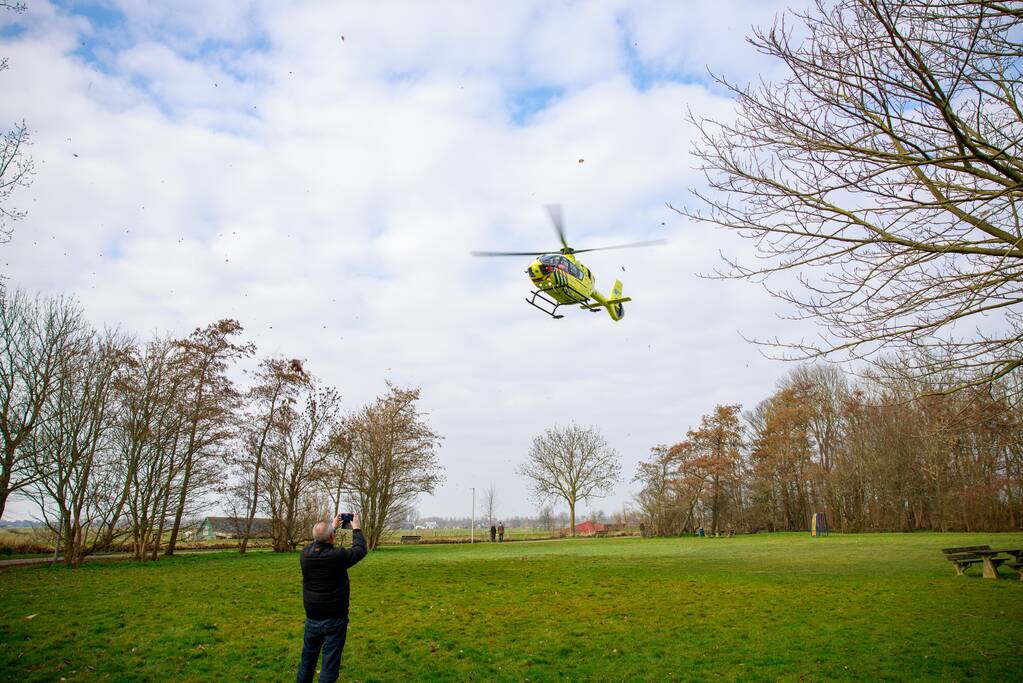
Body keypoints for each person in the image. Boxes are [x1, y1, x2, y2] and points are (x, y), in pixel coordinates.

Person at [296, 512, 367, 683]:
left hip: (312, 618)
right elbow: (360, 550)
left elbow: (318, 542)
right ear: (332, 537)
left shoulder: (305, 554)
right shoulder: (337, 556)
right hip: (335, 619)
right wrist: (356, 528)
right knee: (329, 665)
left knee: (307, 662)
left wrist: (332, 527)